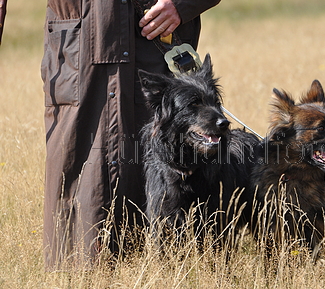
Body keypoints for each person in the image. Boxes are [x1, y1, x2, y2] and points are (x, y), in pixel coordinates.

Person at [41, 0, 220, 270]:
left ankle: (163, 275)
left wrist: (182, 4)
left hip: (155, 43)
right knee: (78, 165)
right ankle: (77, 280)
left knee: (163, 165)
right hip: (79, 44)